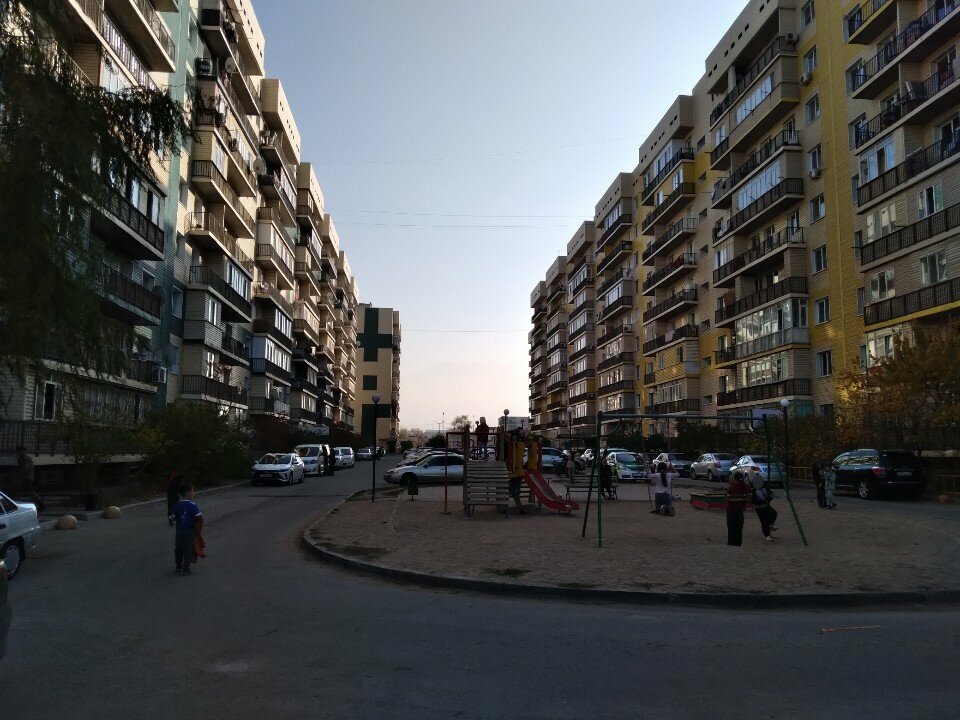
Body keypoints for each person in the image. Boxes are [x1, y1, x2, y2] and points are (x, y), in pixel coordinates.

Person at [169, 483, 202, 576]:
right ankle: (186, 569)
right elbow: (199, 517)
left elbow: (173, 518)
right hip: (189, 531)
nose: (193, 493)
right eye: (192, 491)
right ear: (188, 493)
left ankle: (178, 566)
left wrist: (171, 519)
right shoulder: (193, 505)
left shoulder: (177, 505)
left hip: (179, 531)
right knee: (188, 549)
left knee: (178, 548)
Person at [750, 472, 779, 541]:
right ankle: (766, 535)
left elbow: (771, 495)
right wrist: (761, 502)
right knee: (764, 521)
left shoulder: (765, 487)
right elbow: (752, 500)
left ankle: (771, 525)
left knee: (774, 513)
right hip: (759, 508)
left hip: (766, 506)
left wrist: (768, 499)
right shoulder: (754, 491)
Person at [725, 470, 751, 546]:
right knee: (739, 528)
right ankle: (738, 542)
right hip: (740, 510)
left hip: (731, 510)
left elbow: (728, 499)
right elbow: (749, 494)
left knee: (731, 527)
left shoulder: (731, 488)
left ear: (734, 479)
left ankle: (731, 542)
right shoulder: (745, 487)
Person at [16, 446, 44, 513]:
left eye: (19, 451)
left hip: (27, 478)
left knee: (31, 493)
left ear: (22, 451)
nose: (18, 453)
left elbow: (26, 468)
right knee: (29, 492)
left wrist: (22, 474)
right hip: (26, 477)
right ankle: (40, 505)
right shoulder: (22, 458)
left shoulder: (26, 458)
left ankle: (41, 505)